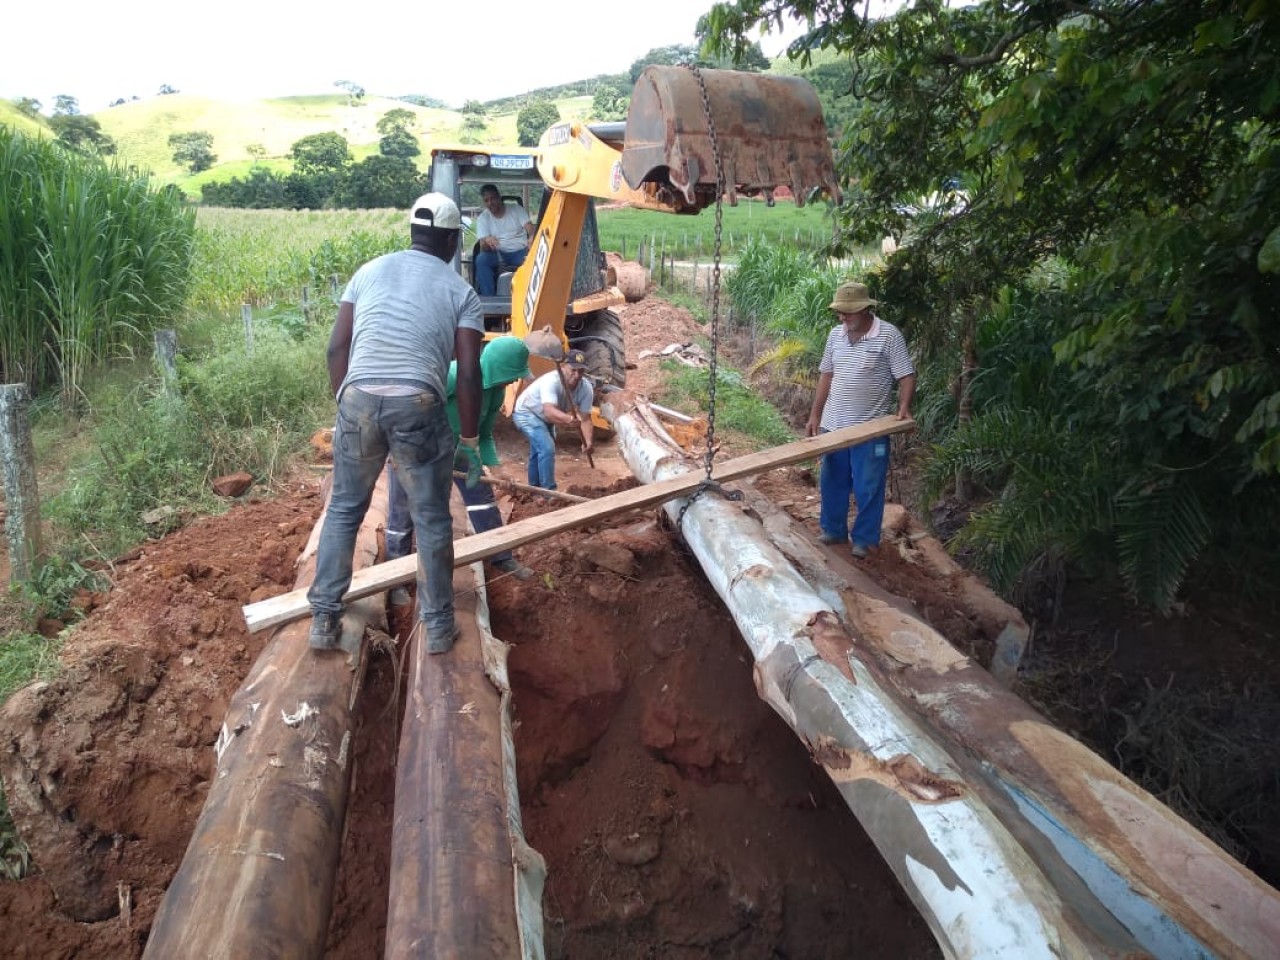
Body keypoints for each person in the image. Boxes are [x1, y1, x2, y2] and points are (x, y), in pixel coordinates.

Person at [307, 192, 484, 655]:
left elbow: (335, 349)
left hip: (358, 399)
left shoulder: (367, 272)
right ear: (449, 241)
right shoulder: (460, 292)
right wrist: (470, 437)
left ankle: (325, 616)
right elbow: (468, 372)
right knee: (430, 518)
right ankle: (440, 627)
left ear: (412, 232)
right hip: (418, 405)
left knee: (345, 509)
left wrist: (347, 405)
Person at [384, 335, 536, 589]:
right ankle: (396, 578)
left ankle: (500, 556)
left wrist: (497, 470)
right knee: (404, 512)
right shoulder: (453, 376)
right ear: (498, 367)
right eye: (513, 373)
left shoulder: (496, 394)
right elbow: (408, 407)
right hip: (415, 451)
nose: (514, 380)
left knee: (482, 501)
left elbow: (483, 434)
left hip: (461, 451)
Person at [805, 280, 916, 558]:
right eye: (840, 312)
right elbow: (826, 375)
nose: (843, 317)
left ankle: (865, 540)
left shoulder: (889, 336)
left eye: (849, 312)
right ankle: (833, 530)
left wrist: (904, 407)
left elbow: (906, 375)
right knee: (832, 480)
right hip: (833, 425)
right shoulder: (835, 335)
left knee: (869, 485)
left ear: (866, 309)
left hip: (870, 429)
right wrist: (815, 414)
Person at [511, 350, 594, 491]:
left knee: (539, 450)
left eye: (581, 371)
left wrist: (588, 442)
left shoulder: (586, 388)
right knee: (546, 448)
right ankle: (549, 493)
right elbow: (549, 411)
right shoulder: (551, 381)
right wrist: (568, 419)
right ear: (562, 367)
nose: (577, 375)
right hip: (526, 412)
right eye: (573, 370)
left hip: (544, 417)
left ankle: (534, 489)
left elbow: (586, 419)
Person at [473, 183, 535, 296]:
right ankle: (489, 299)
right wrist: (487, 241)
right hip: (497, 254)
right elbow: (482, 245)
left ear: (499, 197)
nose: (490, 203)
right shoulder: (483, 218)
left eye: (492, 198)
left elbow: (530, 228)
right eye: (486, 200)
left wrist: (531, 237)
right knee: (481, 259)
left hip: (520, 251)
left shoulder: (516, 210)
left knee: (536, 259)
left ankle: (533, 296)